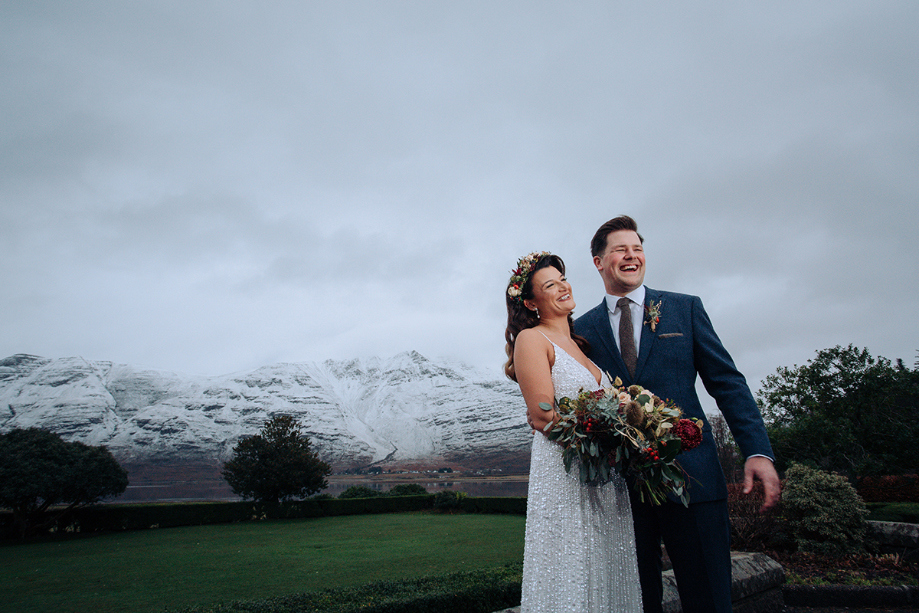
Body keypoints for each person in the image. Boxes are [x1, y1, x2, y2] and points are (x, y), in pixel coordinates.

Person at [573, 216, 781, 613]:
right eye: (620, 249)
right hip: (621, 491)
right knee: (636, 602)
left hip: (695, 481)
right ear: (599, 262)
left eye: (637, 248)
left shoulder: (684, 309)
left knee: (709, 600)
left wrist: (758, 450)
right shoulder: (582, 330)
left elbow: (727, 383)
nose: (631, 256)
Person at [505, 251, 642, 613]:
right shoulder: (532, 341)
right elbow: (542, 416)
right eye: (550, 285)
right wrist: (605, 438)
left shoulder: (583, 348)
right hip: (566, 475)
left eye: (563, 279)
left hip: (606, 477)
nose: (563, 286)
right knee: (571, 568)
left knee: (607, 571)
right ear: (532, 302)